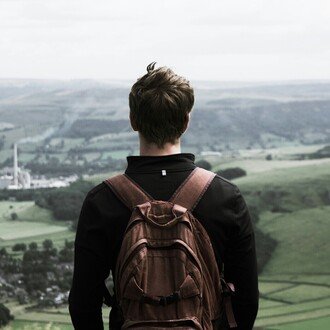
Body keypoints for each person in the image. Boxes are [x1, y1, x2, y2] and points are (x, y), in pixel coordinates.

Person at [68, 62, 259, 329]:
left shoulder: (102, 201)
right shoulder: (226, 197)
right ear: (186, 121)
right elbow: (247, 303)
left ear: (133, 121)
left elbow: (83, 306)